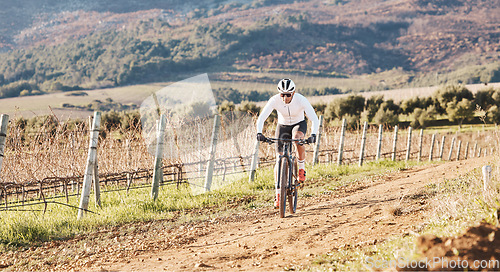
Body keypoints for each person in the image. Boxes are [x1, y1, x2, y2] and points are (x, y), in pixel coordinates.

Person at [256, 78, 320, 208]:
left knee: (297, 139)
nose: (285, 98)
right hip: (283, 126)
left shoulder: (301, 100)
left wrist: (313, 134)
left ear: (294, 92)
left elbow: (314, 119)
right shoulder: (274, 100)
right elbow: (262, 117)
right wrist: (259, 132)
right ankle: (278, 195)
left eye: (288, 95)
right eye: (282, 95)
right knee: (279, 160)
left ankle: (301, 168)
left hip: (298, 124)